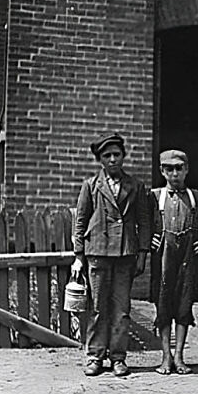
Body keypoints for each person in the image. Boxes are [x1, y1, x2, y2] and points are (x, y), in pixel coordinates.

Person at [73, 133, 150, 377]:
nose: (113, 159)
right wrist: (78, 255)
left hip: (125, 254)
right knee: (98, 308)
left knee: (121, 309)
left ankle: (118, 357)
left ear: (124, 156)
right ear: (100, 160)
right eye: (107, 156)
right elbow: (81, 220)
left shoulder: (135, 186)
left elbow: (144, 221)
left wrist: (142, 253)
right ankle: (95, 356)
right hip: (98, 253)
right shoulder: (91, 186)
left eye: (117, 154)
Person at [150, 150, 198, 375]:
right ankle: (165, 357)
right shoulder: (154, 196)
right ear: (162, 171)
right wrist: (149, 239)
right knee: (163, 303)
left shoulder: (197, 197)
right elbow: (143, 224)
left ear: (186, 169)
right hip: (164, 258)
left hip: (188, 257)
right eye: (169, 169)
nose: (175, 173)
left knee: (183, 304)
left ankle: (179, 356)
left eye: (179, 168)